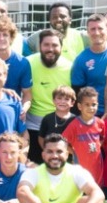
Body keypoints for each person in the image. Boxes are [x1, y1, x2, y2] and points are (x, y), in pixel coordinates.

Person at [22, 28, 73, 158]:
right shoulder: (27, 63)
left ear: (61, 47)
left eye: (55, 45)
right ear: (40, 46)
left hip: (62, 126)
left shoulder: (71, 67)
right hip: (33, 126)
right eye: (46, 45)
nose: (50, 49)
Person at [68, 13, 107, 106]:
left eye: (100, 28)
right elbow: (77, 92)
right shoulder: (81, 59)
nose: (97, 32)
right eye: (93, 29)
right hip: (93, 113)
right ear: (88, 32)